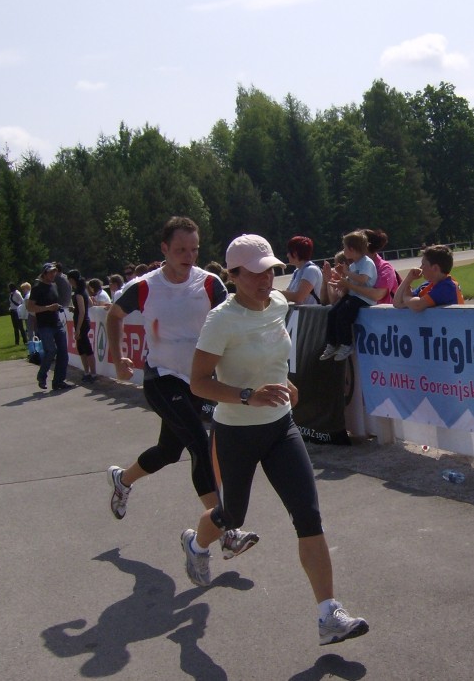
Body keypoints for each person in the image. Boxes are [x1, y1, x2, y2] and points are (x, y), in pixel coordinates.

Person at [183, 233, 369, 646]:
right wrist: (247, 396)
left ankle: (329, 614)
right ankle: (197, 543)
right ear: (232, 275)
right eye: (254, 274)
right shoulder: (221, 320)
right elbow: (199, 383)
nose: (266, 280)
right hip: (236, 431)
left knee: (308, 514)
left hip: (282, 427)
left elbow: (269, 356)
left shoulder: (281, 305)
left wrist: (284, 382)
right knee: (233, 515)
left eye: (270, 270)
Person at [105, 216, 257, 561]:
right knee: (199, 445)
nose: (188, 256)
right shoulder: (145, 286)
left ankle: (123, 479)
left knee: (168, 451)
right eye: (180, 250)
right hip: (161, 378)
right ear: (164, 249)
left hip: (197, 381)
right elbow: (114, 316)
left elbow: (232, 315)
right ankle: (226, 530)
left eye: (194, 249)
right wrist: (119, 358)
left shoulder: (209, 283)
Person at [319, 231, 378, 361]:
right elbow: (346, 284)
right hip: (352, 295)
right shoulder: (353, 265)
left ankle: (346, 344)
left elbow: (363, 279)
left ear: (351, 249)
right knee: (332, 313)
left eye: (345, 247)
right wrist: (332, 280)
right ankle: (332, 344)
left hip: (363, 298)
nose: (343, 251)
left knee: (343, 314)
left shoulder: (366, 262)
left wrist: (346, 273)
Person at [27, 263, 72, 390]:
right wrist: (47, 308)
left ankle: (58, 381)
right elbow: (30, 307)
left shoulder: (54, 286)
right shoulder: (37, 288)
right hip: (44, 325)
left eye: (55, 272)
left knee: (63, 352)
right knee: (51, 351)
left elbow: (56, 302)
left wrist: (64, 307)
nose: (53, 274)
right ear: (44, 274)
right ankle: (42, 375)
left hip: (56, 322)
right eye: (51, 272)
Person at [393, 244, 465, 312]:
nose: (421, 268)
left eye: (423, 264)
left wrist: (406, 297)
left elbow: (417, 305)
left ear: (435, 268)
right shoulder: (427, 285)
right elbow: (397, 303)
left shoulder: (447, 286)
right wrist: (408, 279)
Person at [67, 269, 97, 382]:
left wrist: (78, 329)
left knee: (86, 348)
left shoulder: (79, 293)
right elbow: (89, 303)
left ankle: (92, 373)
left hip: (82, 322)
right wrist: (75, 309)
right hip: (83, 321)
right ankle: (87, 371)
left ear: (72, 280)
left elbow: (83, 311)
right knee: (81, 348)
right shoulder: (83, 291)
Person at [281, 236, 323, 305]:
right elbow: (287, 295)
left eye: (289, 251)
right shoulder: (297, 272)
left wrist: (273, 292)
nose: (287, 255)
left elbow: (298, 297)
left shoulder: (311, 270)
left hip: (312, 314)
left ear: (295, 253)